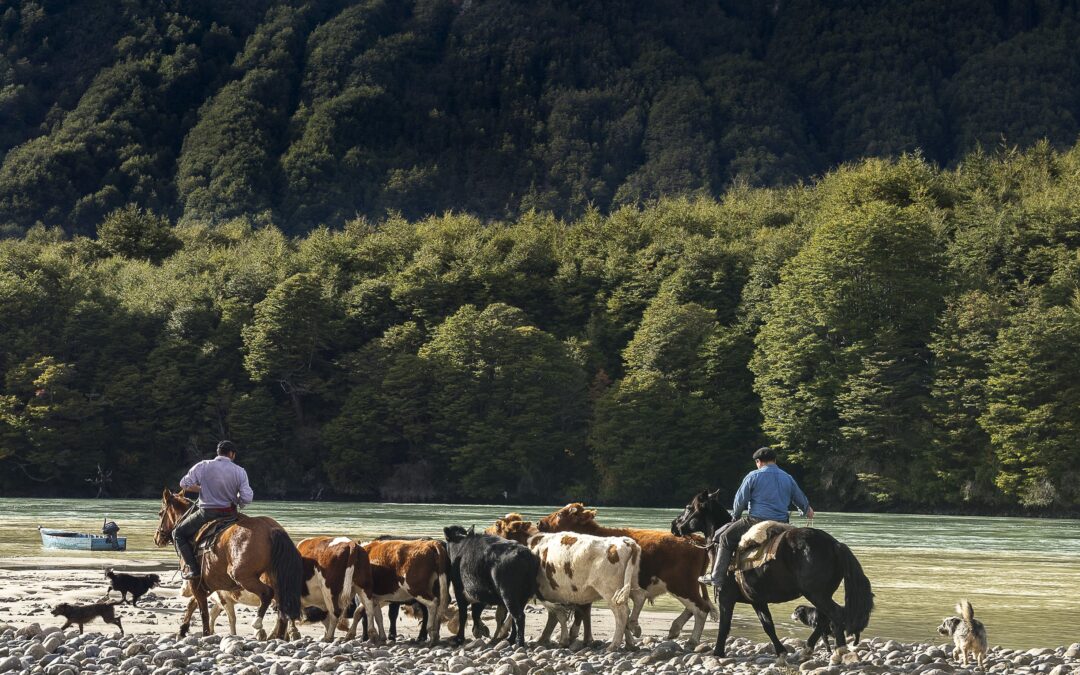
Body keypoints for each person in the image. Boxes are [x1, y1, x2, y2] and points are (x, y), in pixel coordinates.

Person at [698, 446, 813, 589]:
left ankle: (716, 577)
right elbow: (800, 499)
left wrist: (736, 516)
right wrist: (806, 510)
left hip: (756, 521)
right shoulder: (788, 477)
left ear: (758, 461)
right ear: (775, 460)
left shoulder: (753, 476)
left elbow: (740, 500)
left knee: (724, 538)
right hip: (782, 523)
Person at [173, 440, 253, 579]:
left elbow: (184, 484)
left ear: (218, 453)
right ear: (232, 454)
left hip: (207, 514)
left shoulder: (203, 466)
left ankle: (193, 569)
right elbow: (247, 498)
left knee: (178, 533)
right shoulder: (240, 471)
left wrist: (201, 489)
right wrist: (238, 499)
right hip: (230, 514)